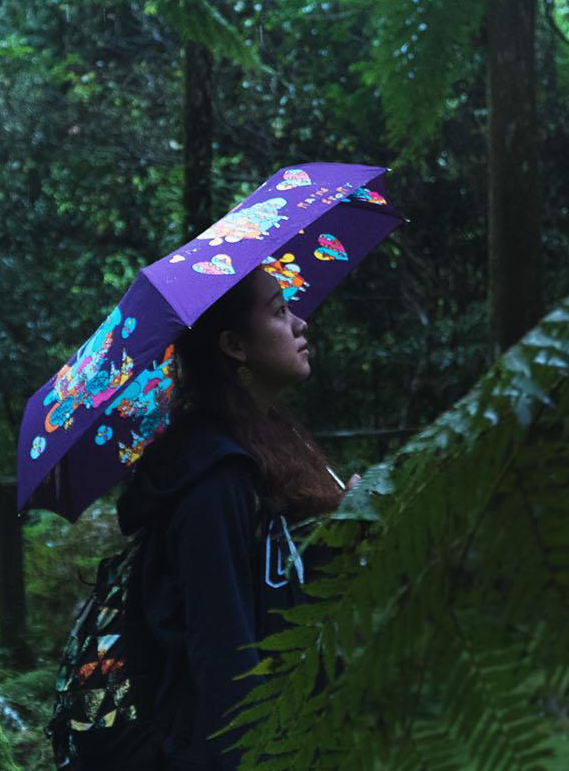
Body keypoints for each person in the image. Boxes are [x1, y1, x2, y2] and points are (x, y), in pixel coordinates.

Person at [115, 265, 358, 770]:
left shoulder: (271, 443)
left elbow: (278, 589)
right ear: (234, 346)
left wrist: (347, 528)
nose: (300, 324)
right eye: (278, 311)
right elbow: (223, 654)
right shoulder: (212, 478)